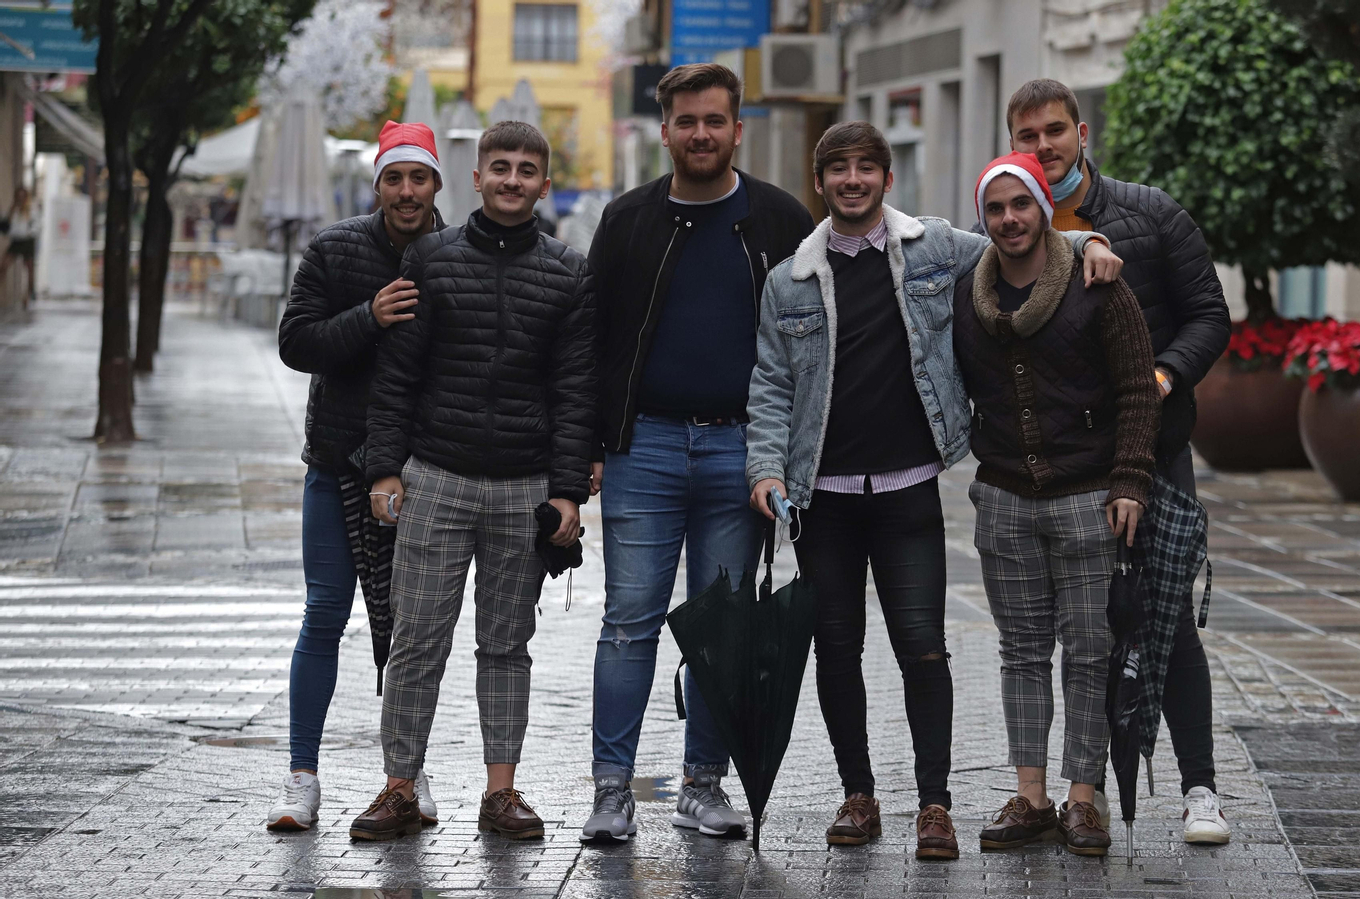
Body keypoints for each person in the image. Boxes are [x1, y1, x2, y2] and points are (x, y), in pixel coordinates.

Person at [745, 123, 1116, 861]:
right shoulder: (789, 278)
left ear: (886, 177)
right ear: (821, 182)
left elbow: (1026, 246)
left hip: (910, 490)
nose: (853, 180)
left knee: (924, 649)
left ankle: (934, 803)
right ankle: (858, 794)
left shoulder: (936, 247)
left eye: (866, 168)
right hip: (824, 497)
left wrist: (1090, 244)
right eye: (838, 169)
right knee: (837, 649)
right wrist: (765, 468)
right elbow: (771, 384)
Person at [578, 63, 815, 844]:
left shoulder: (779, 219)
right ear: (666, 130)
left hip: (742, 453)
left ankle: (701, 785)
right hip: (642, 446)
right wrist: (589, 445)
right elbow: (595, 338)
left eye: (716, 121)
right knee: (628, 623)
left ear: (737, 129)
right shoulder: (628, 219)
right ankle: (611, 791)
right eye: (687, 121)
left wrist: (788, 454)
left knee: (723, 626)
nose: (702, 134)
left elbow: (813, 338)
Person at [350, 120, 596, 841]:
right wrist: (384, 470)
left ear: (542, 183)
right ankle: (399, 786)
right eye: (500, 167)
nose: (513, 179)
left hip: (525, 486)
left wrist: (567, 492)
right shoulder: (430, 257)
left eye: (526, 169)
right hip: (435, 475)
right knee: (417, 638)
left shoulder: (569, 271)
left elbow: (575, 389)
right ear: (478, 177)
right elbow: (397, 377)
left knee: (505, 643)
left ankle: (502, 791)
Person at [1006, 78, 1233, 845]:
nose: (1045, 147)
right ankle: (1082, 794)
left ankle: (1200, 786)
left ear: (1083, 131)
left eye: (1056, 131)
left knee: (1164, 615)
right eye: (1028, 135)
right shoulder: (1010, 219)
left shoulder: (1151, 214)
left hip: (1155, 448)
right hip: (1069, 465)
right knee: (1084, 630)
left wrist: (1161, 377)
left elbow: (1209, 314)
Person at [958, 152, 1160, 856]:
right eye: (995, 208)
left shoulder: (1097, 287)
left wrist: (1130, 479)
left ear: (1045, 209)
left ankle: (1082, 798)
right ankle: (1031, 796)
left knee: (1090, 652)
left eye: (1022, 204)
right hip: (1005, 500)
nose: (1009, 218)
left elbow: (1138, 388)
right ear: (983, 218)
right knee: (1021, 653)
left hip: (1089, 499)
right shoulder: (969, 294)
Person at [269, 122, 446, 832]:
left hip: (422, 473)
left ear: (437, 185)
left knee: (410, 631)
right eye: (394, 178)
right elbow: (295, 342)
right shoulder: (335, 248)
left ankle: (407, 773)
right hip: (337, 464)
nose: (406, 191)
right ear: (378, 184)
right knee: (324, 616)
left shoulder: (455, 255)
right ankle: (301, 776)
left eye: (419, 178)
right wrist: (368, 316)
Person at [2, 187, 38, 306]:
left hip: (27, 241)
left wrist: (30, 232)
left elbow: (36, 224)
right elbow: (6, 225)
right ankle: (2, 294)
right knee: (4, 265)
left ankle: (27, 296)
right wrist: (12, 212)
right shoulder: (13, 209)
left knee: (29, 268)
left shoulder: (31, 209)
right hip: (16, 241)